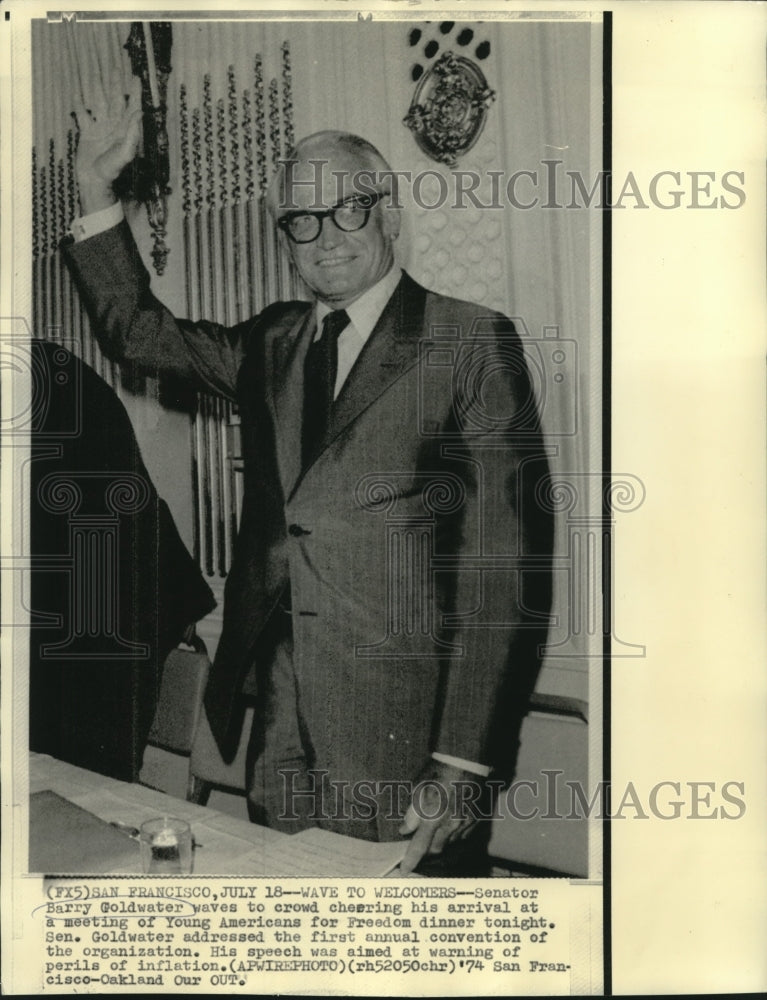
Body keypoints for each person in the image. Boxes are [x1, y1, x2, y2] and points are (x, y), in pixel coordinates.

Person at [64, 78, 553, 873]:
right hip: (280, 728)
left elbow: (504, 572)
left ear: (388, 213)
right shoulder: (273, 342)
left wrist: (461, 764)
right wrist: (93, 188)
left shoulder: (468, 342)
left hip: (405, 737)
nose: (325, 237)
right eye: (300, 220)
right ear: (283, 236)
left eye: (347, 210)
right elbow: (139, 335)